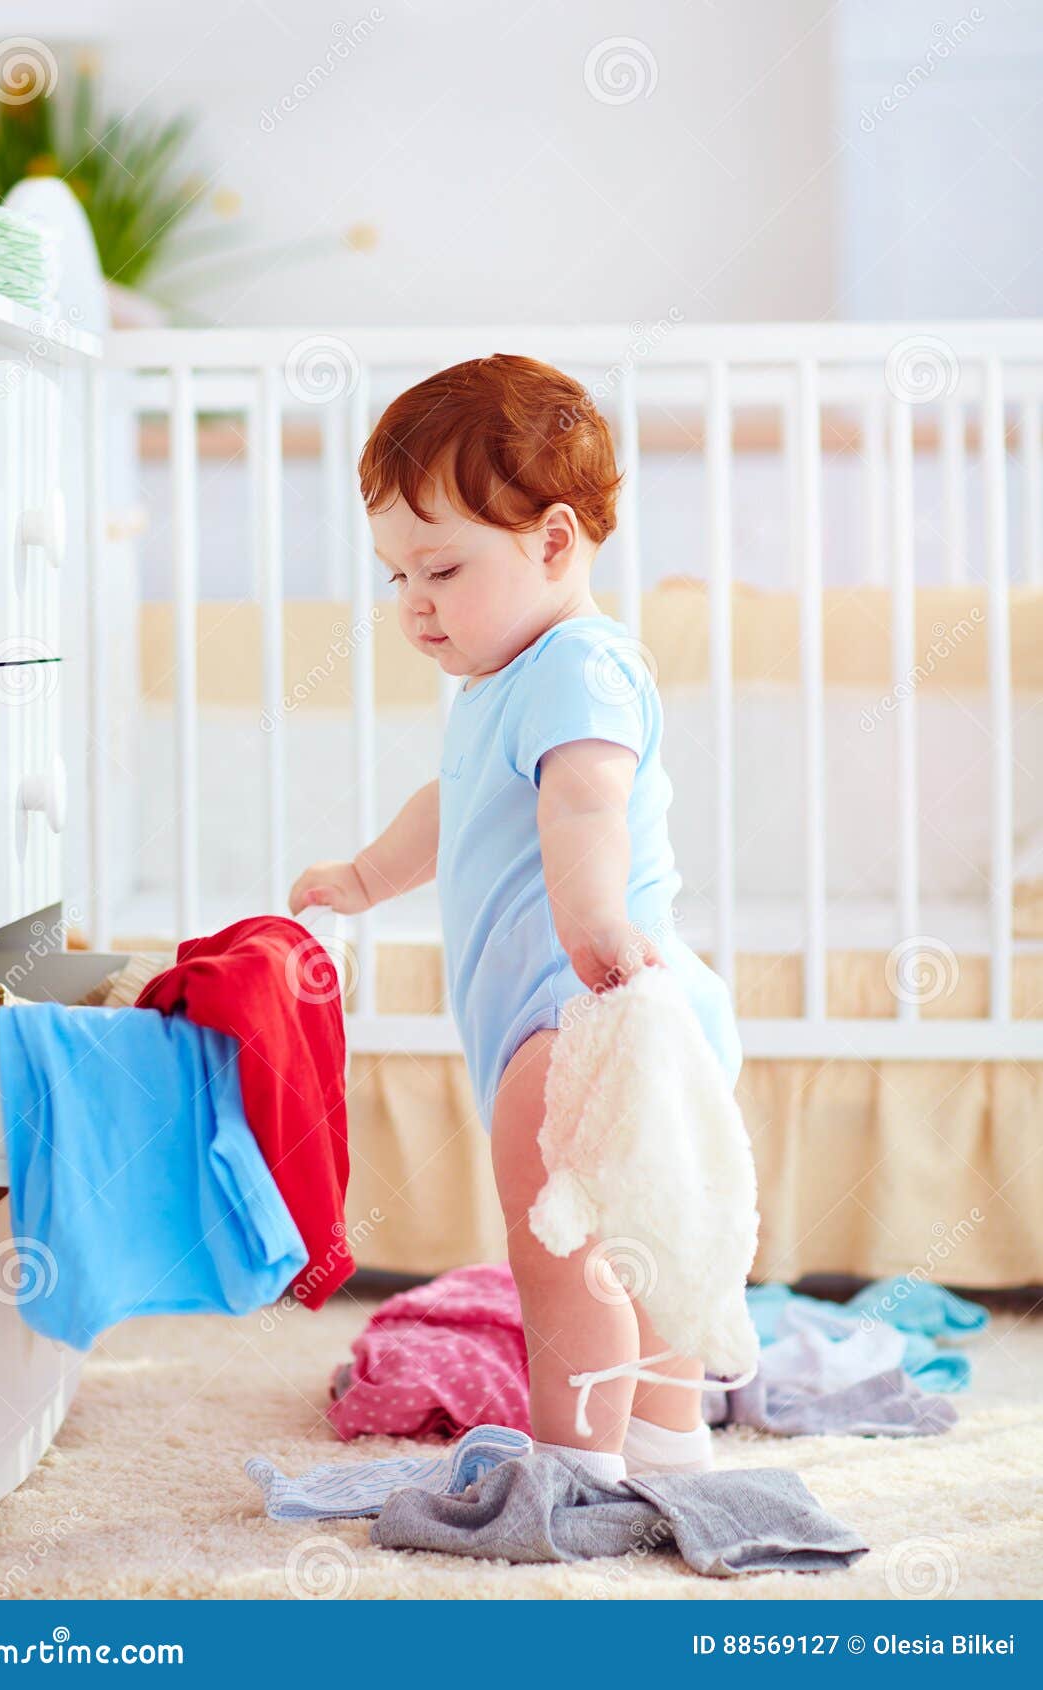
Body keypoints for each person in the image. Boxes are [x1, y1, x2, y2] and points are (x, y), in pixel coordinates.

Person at [290, 353, 742, 1481]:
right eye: (395, 575)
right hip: (601, 1005)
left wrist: (591, 921)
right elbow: (455, 806)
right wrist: (361, 876)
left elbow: (589, 793)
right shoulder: (506, 684)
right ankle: (666, 1436)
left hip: (576, 1007)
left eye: (439, 567)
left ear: (551, 542)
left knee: (562, 1252)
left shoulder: (578, 665)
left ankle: (575, 1460)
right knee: (649, 1231)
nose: (415, 604)